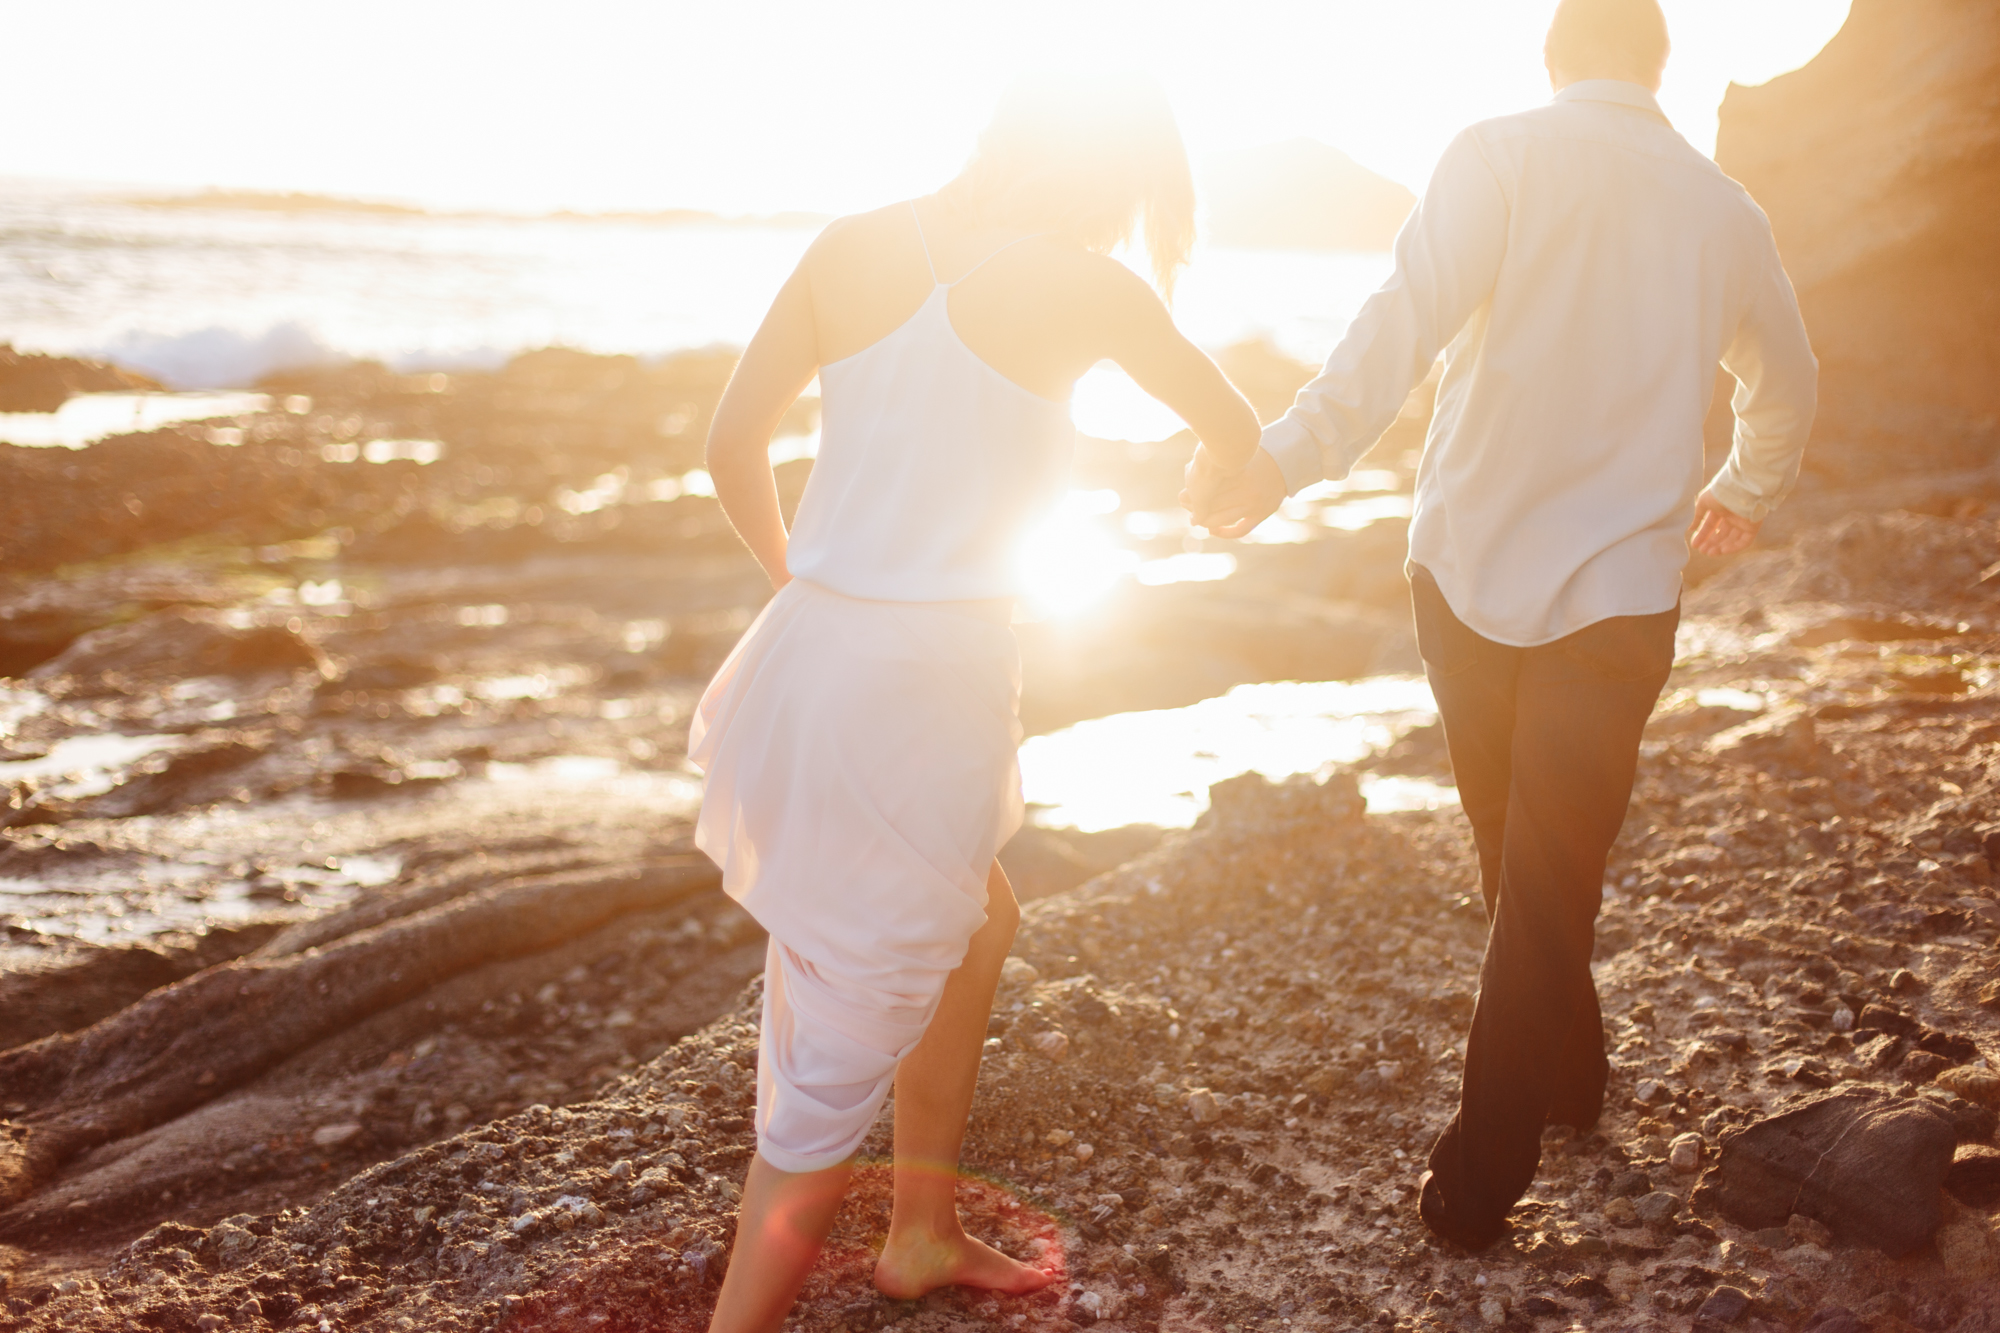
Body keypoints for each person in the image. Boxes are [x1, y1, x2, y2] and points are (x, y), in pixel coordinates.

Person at [1186, 0, 1816, 1250]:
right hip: (1621, 596)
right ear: (1659, 67)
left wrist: (1281, 460)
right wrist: (1742, 490)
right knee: (1536, 867)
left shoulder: (1495, 152)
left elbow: (1397, 328)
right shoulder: (1719, 208)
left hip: (1465, 575)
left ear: (1552, 58)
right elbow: (1785, 381)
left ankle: (1482, 1173)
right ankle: (1568, 1073)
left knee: (1519, 858)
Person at [690, 74, 1261, 1328]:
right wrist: (1218, 484)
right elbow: (1239, 433)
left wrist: (815, 586)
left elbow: (731, 444)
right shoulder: (1088, 285)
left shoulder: (852, 243)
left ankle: (919, 1230)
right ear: (1112, 181)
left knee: (974, 927)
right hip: (928, 688)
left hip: (803, 652)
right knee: (838, 1042)